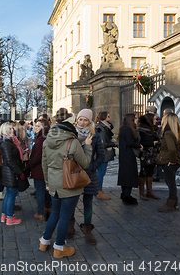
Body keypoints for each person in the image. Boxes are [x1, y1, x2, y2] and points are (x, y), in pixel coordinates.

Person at [39, 108, 92, 258]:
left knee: (55, 213)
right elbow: (86, 163)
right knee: (64, 216)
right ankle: (59, 247)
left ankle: (44, 241)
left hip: (54, 183)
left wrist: (48, 183)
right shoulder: (73, 142)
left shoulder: (47, 140)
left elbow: (45, 165)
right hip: (69, 184)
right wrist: (87, 146)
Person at [67, 109, 104, 245]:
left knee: (88, 203)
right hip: (74, 174)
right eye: (80, 119)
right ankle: (70, 226)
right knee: (72, 201)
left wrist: (92, 167)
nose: (82, 123)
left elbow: (101, 155)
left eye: (85, 120)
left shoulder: (94, 135)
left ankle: (87, 228)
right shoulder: (71, 134)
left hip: (89, 175)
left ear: (90, 122)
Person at [0, 122, 24, 225]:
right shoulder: (6, 143)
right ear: (4, 130)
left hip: (8, 171)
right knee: (11, 194)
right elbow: (9, 160)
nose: (12, 130)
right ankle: (9, 217)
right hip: (11, 172)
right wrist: (19, 172)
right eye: (9, 129)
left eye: (12, 128)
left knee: (8, 194)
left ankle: (4, 215)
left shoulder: (7, 141)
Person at [157, 113, 180, 212]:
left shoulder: (168, 133)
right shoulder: (178, 131)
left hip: (169, 160)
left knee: (170, 182)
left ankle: (171, 203)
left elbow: (171, 149)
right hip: (176, 159)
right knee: (171, 181)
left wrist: (172, 161)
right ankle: (174, 203)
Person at [118, 113, 142, 205]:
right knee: (129, 176)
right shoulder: (128, 129)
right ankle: (126, 195)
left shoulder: (124, 129)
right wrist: (139, 145)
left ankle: (125, 194)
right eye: (135, 118)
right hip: (128, 156)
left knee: (125, 176)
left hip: (124, 155)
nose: (136, 119)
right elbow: (130, 142)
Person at [29, 118, 51, 220]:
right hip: (43, 168)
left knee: (40, 191)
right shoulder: (44, 137)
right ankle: (47, 207)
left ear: (44, 127)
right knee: (44, 190)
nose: (35, 127)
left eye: (38, 126)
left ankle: (40, 213)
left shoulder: (41, 138)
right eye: (35, 125)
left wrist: (30, 163)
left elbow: (38, 156)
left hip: (39, 169)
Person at [137, 113, 161, 200]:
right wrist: (154, 143)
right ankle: (142, 192)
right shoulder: (141, 130)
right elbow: (141, 143)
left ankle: (149, 191)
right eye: (154, 119)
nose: (156, 120)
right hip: (145, 153)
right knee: (143, 171)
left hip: (153, 154)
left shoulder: (153, 129)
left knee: (151, 171)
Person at [95, 111, 116, 200]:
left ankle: (97, 190)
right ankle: (99, 191)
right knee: (101, 173)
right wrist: (113, 144)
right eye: (108, 116)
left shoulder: (104, 127)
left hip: (102, 153)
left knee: (100, 173)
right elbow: (103, 143)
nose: (110, 117)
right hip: (102, 153)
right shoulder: (102, 128)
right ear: (104, 117)